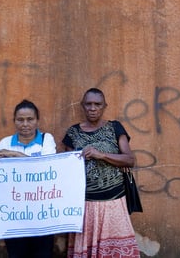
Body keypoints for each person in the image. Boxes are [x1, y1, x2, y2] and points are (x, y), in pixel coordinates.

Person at [62, 88, 140, 258]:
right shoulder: (73, 133)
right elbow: (67, 169)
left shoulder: (115, 127)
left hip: (114, 202)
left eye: (97, 104)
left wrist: (101, 155)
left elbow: (129, 159)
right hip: (85, 204)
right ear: (83, 106)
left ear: (104, 106)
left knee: (116, 250)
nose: (92, 108)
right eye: (88, 104)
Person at [0, 99, 56, 258]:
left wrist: (14, 155)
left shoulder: (46, 140)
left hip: (42, 214)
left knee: (43, 254)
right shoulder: (5, 142)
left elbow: (45, 168)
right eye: (20, 120)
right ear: (14, 121)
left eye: (30, 119)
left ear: (37, 121)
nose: (25, 124)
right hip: (14, 216)